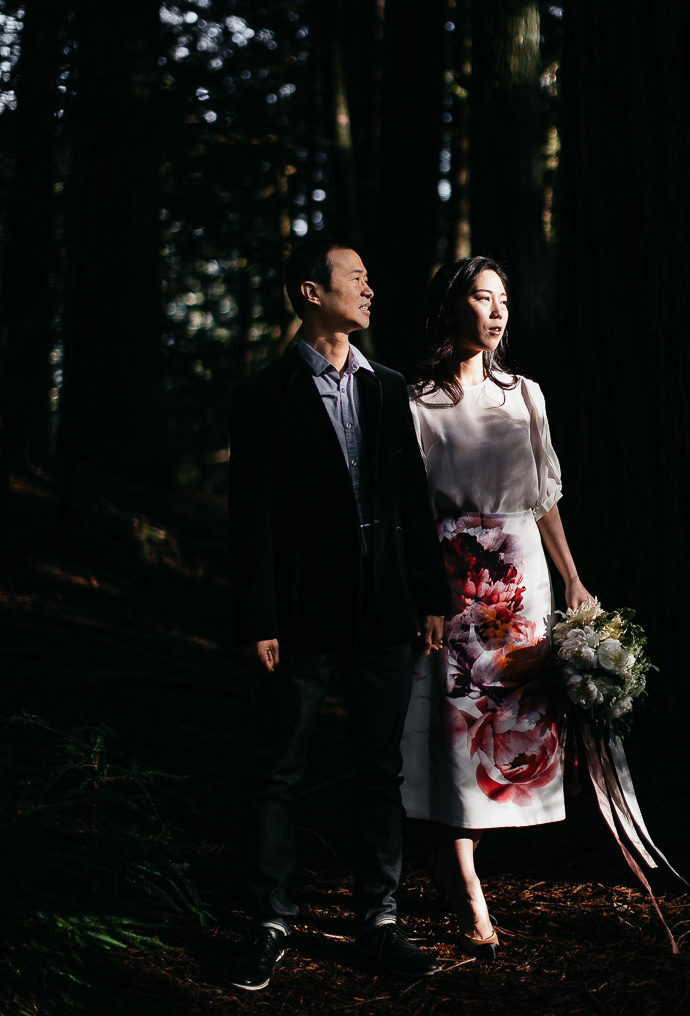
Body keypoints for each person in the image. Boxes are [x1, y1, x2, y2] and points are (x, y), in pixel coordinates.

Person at [226, 240, 450, 989]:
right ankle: (269, 919)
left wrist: (430, 596)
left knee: (379, 769)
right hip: (299, 617)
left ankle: (379, 919)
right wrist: (259, 619)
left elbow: (411, 498)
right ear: (310, 293)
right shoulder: (264, 394)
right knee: (278, 769)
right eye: (355, 278)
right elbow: (250, 518)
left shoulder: (387, 387)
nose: (369, 289)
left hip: (383, 611)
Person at [400, 256, 592, 959]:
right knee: (459, 728)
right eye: (482, 298)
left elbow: (544, 500)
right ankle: (463, 879)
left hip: (523, 582)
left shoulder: (526, 397)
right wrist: (423, 593)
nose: (497, 311)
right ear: (452, 307)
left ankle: (450, 859)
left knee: (510, 731)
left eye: (503, 299)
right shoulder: (417, 403)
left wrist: (571, 580)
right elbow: (407, 512)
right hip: (453, 583)